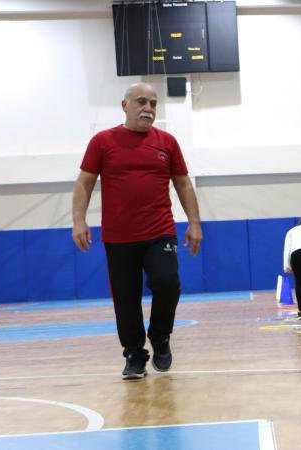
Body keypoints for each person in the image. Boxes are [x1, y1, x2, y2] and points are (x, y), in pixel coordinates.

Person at [72, 83, 203, 380]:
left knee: (167, 283)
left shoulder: (167, 143)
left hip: (159, 232)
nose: (149, 108)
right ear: (125, 105)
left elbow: (183, 183)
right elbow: (84, 182)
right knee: (125, 298)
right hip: (119, 238)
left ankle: (159, 336)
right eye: (142, 101)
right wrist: (78, 220)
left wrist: (194, 223)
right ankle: (134, 353)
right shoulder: (102, 142)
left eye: (154, 104)